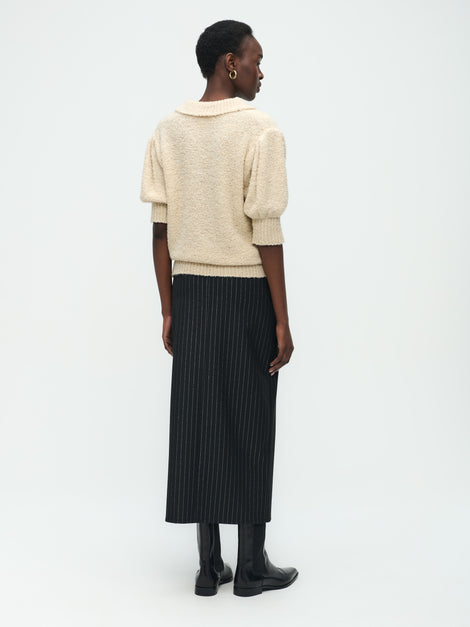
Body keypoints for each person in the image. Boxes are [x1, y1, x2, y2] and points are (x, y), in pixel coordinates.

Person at [140, 19, 298, 597]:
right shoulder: (261, 130)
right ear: (230, 62)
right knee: (251, 420)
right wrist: (281, 318)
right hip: (246, 292)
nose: (261, 71)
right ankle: (251, 567)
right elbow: (267, 232)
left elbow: (160, 230)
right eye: (256, 59)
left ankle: (209, 567)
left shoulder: (168, 129)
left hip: (192, 294)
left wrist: (168, 308)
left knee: (199, 421)